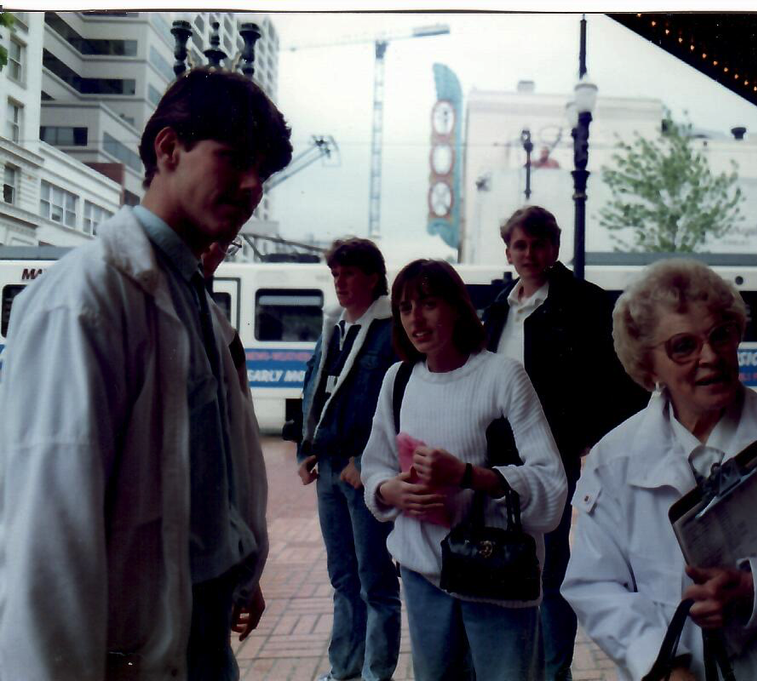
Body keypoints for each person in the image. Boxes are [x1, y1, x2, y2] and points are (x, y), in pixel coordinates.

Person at [0, 67, 292, 680]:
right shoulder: (85, 299)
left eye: (263, 173)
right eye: (236, 159)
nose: (251, 187)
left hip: (198, 638)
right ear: (168, 148)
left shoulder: (194, 301)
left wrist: (242, 564)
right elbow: (47, 540)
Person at [561, 259, 757, 681]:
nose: (710, 357)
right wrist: (663, 665)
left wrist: (756, 587)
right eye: (684, 346)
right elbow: (595, 585)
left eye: (720, 335)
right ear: (648, 365)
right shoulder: (614, 459)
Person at [360, 259, 567, 681]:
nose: (415, 319)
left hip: (496, 575)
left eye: (428, 304)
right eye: (405, 308)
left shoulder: (503, 376)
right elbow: (375, 467)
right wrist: (388, 491)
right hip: (422, 575)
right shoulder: (399, 380)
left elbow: (551, 483)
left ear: (457, 307)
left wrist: (469, 476)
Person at [481, 205, 648, 681]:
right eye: (519, 245)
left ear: (554, 247)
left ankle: (556, 672)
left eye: (539, 244)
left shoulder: (586, 303)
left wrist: (584, 437)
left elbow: (622, 379)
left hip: (552, 454)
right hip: (498, 457)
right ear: (508, 252)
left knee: (551, 567)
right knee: (505, 566)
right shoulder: (498, 308)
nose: (529, 253)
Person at [297, 238, 401, 681]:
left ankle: (376, 674)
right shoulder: (334, 328)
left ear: (373, 277)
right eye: (335, 274)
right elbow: (314, 390)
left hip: (364, 472)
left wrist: (366, 460)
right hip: (329, 468)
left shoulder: (390, 331)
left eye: (350, 273)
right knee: (343, 577)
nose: (339, 282)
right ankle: (344, 671)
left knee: (375, 580)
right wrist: (306, 448)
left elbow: (399, 404)